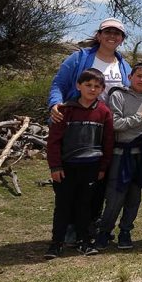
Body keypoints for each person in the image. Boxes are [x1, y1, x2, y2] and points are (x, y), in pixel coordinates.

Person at [47, 17, 131, 243]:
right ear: (99, 35)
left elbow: (131, 93)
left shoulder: (123, 65)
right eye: (108, 32)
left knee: (98, 180)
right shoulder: (79, 58)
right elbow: (58, 84)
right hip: (76, 125)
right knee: (69, 178)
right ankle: (70, 227)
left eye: (117, 33)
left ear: (122, 39)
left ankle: (88, 225)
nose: (112, 36)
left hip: (107, 128)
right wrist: (55, 104)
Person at [45, 68, 114, 259]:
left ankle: (84, 241)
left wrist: (103, 167)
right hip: (67, 167)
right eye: (88, 85)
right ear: (78, 86)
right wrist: (55, 166)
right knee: (63, 205)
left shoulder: (104, 112)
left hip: (92, 166)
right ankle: (56, 243)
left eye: (96, 86)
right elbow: (54, 141)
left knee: (86, 205)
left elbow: (108, 142)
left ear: (102, 89)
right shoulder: (65, 110)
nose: (92, 89)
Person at [95, 62, 142, 251]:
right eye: (139, 75)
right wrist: (139, 118)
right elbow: (114, 123)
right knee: (115, 196)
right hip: (120, 155)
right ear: (130, 77)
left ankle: (125, 231)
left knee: (134, 198)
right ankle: (104, 232)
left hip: (141, 156)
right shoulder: (118, 95)